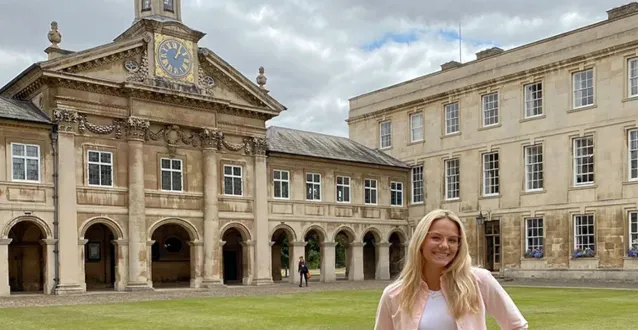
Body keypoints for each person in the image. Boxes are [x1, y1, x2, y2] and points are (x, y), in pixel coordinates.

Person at [374, 209, 528, 330]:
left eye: (452, 240)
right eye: (436, 237)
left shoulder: (479, 281)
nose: (444, 245)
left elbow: (517, 326)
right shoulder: (394, 295)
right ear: (420, 241)